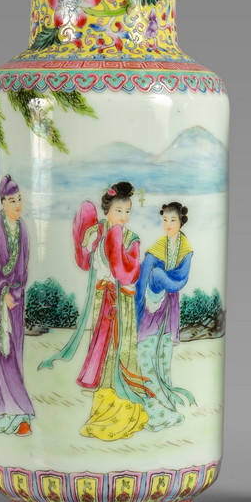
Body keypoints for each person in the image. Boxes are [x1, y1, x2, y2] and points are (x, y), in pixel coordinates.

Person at [39, 181, 150, 441]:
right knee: (102, 347)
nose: (123, 217)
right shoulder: (98, 233)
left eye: (127, 211)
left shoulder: (131, 239)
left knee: (120, 349)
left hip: (122, 302)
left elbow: (130, 272)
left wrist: (117, 247)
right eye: (119, 211)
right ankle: (102, 409)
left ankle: (125, 411)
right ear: (107, 210)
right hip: (104, 299)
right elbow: (85, 260)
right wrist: (87, 242)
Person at [135, 202, 195, 431]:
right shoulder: (157, 248)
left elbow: (180, 279)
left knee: (163, 358)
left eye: (173, 220)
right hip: (151, 308)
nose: (168, 225)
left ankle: (167, 408)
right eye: (165, 220)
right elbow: (143, 278)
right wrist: (153, 286)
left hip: (169, 308)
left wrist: (160, 276)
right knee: (146, 355)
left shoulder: (185, 250)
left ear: (181, 222)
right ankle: (154, 412)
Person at [0, 175, 35, 436]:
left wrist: (17, 290)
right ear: (3, 202)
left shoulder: (22, 228)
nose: (17, 205)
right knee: (3, 353)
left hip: (16, 299)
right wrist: (2, 293)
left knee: (16, 352)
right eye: (12, 200)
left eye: (20, 199)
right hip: (1, 299)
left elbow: (24, 265)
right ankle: (8, 408)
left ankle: (17, 408)